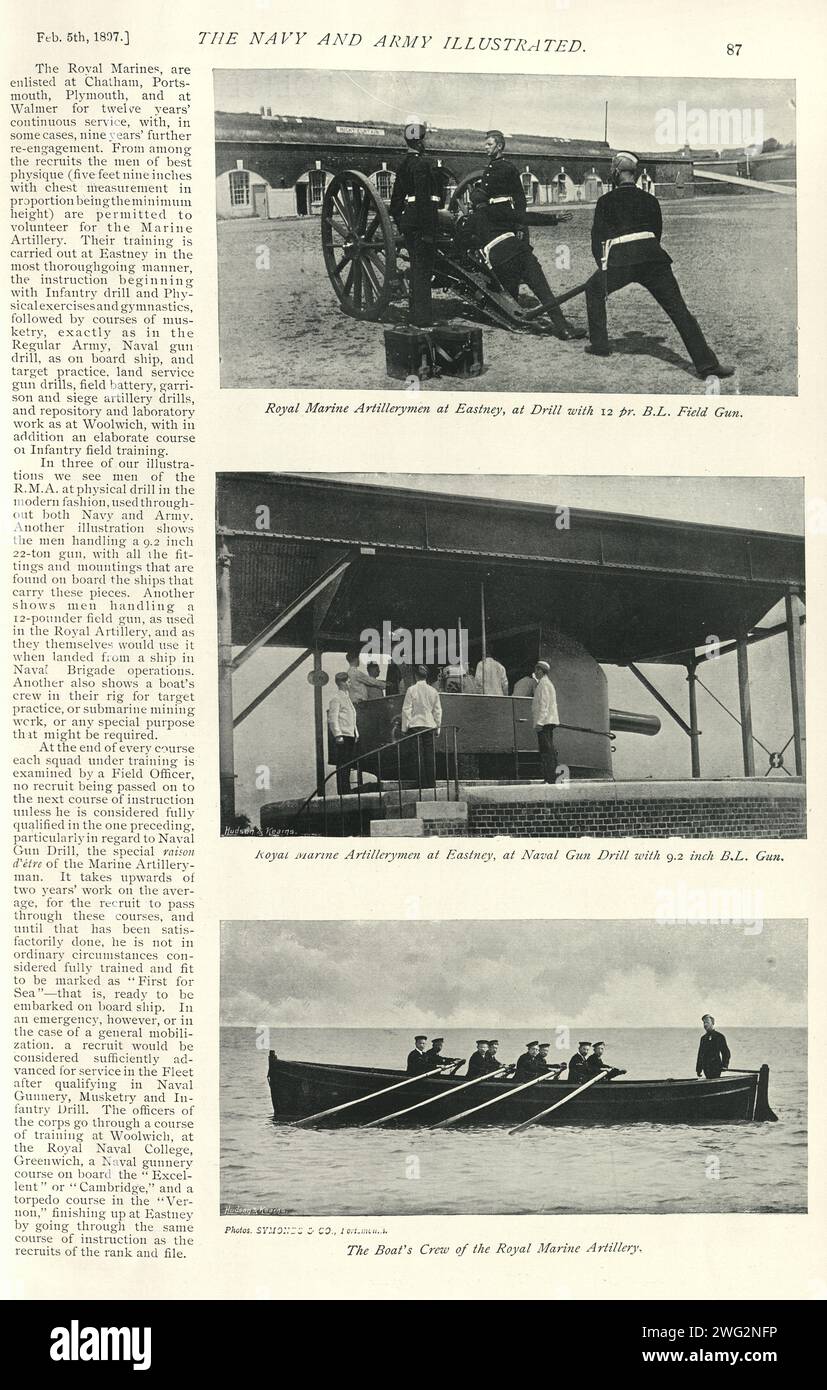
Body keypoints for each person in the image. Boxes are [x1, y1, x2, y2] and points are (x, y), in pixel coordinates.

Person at [584, 151, 734, 380]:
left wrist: (603, 267)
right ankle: (707, 365)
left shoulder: (605, 201)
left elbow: (598, 238)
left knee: (593, 289)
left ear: (616, 173)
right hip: (653, 260)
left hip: (621, 262)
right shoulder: (650, 199)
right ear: (633, 175)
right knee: (680, 311)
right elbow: (656, 233)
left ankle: (600, 345)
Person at [470, 130, 582, 339]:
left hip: (499, 249)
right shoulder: (499, 175)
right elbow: (523, 212)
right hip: (515, 243)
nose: (485, 147)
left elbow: (516, 201)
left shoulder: (500, 178)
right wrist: (554, 219)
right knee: (540, 286)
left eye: (489, 144)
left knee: (509, 280)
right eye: (485, 144)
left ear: (499, 146)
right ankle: (561, 326)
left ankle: (513, 315)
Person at [389, 120, 444, 327]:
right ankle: (422, 318)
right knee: (423, 271)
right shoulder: (421, 164)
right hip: (423, 223)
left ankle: (416, 314)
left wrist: (402, 222)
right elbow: (423, 199)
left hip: (410, 222)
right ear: (420, 142)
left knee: (417, 267)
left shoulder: (403, 165)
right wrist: (429, 230)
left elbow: (395, 202)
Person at [401, 664, 442, 788]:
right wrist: (438, 727)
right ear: (426, 676)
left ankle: (421, 783)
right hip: (429, 725)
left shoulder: (411, 690)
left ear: (415, 676)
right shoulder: (433, 691)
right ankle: (431, 783)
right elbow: (438, 710)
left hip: (416, 725)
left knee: (418, 755)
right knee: (429, 755)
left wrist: (404, 727)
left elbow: (406, 709)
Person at [327, 672, 358, 795]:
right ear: (342, 683)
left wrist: (356, 732)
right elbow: (333, 718)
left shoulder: (346, 698)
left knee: (348, 763)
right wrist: (338, 734)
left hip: (350, 735)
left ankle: (346, 788)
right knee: (342, 763)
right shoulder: (336, 698)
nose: (350, 683)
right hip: (343, 736)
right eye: (348, 681)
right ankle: (343, 790)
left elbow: (352, 716)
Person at [532, 660, 559, 783]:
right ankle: (550, 777)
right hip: (547, 721)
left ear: (541, 671)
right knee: (547, 750)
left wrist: (540, 722)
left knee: (546, 751)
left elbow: (544, 705)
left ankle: (551, 778)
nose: (535, 672)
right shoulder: (545, 683)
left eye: (537, 670)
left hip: (545, 722)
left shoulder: (544, 684)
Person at [696, 1014, 731, 1079]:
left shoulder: (719, 1037)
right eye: (704, 1023)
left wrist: (725, 1065)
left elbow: (726, 1052)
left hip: (716, 1067)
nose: (705, 1025)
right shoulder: (703, 1038)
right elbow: (700, 1054)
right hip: (706, 1068)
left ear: (712, 1023)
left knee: (714, 1082)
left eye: (707, 1022)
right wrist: (698, 1069)